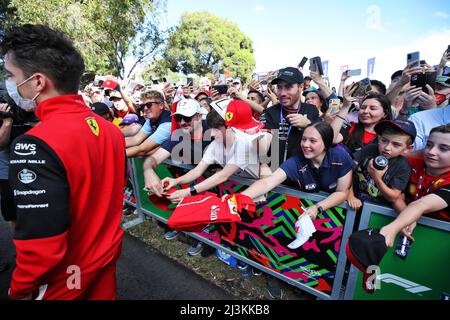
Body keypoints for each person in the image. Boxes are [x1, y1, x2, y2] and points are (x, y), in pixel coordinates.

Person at [2, 24, 125, 300]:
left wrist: (18, 289)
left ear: (37, 81)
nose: (9, 84)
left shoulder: (33, 144)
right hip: (103, 264)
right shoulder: (111, 131)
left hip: (63, 281)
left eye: (12, 76)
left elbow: (41, 245)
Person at [161, 100, 272, 204]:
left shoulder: (245, 143)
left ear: (231, 127)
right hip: (242, 193)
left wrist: (189, 192)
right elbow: (197, 171)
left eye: (217, 129)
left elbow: (223, 175)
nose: (212, 134)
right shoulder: (215, 145)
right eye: (211, 129)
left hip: (269, 196)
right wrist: (176, 181)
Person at [241, 121, 353, 219]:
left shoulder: (340, 157)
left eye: (312, 141)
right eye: (303, 139)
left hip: (335, 216)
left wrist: (317, 207)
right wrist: (238, 199)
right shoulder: (296, 161)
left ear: (326, 143)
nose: (305, 144)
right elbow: (268, 182)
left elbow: (342, 192)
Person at [380, 124, 450, 247]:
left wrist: (392, 228)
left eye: (443, 148)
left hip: (438, 241)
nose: (431, 152)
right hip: (402, 227)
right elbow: (397, 196)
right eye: (429, 145)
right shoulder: (410, 163)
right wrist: (406, 220)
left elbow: (421, 205)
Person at [347, 119, 416, 210]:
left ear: (407, 148)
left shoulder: (403, 166)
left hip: (377, 211)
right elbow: (347, 171)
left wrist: (377, 178)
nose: (387, 147)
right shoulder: (369, 150)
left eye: (396, 145)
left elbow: (393, 197)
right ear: (379, 138)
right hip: (353, 202)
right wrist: (350, 195)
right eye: (384, 141)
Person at [262, 67, 320, 167]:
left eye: (288, 87)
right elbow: (263, 145)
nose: (283, 93)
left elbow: (323, 140)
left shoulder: (311, 110)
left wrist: (308, 125)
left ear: (301, 87)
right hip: (274, 173)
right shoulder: (270, 112)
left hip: (302, 174)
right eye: (279, 87)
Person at [331, 88, 392, 155]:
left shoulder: (386, 137)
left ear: (385, 114)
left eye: (373, 108)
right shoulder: (351, 126)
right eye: (363, 107)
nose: (365, 111)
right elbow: (332, 139)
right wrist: (345, 107)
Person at [125, 90, 171, 157]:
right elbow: (135, 139)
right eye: (143, 106)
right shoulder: (151, 119)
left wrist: (111, 155)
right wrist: (110, 143)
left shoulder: (168, 123)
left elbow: (142, 149)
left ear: (161, 105)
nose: (145, 108)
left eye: (149, 105)